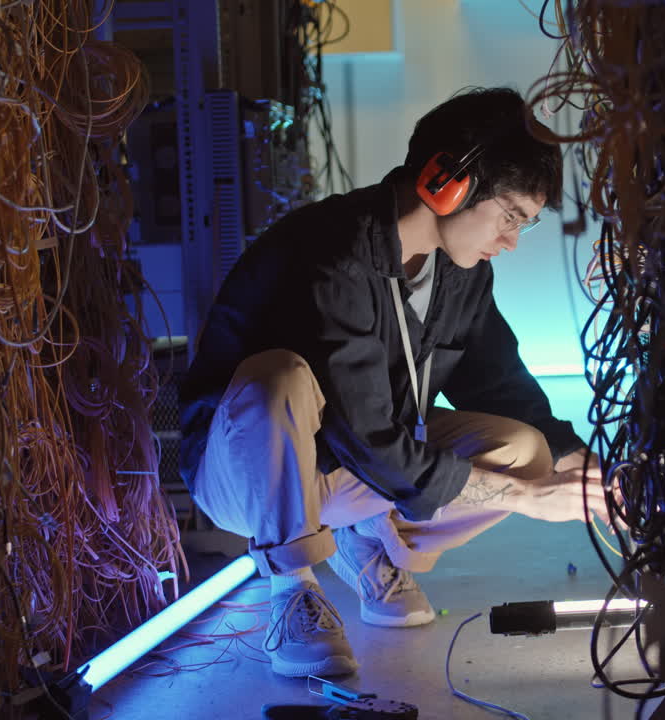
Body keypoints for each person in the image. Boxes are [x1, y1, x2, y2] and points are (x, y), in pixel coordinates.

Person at [178, 87, 608, 678]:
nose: (510, 242)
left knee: (526, 451)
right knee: (277, 379)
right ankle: (293, 586)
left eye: (523, 227)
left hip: (352, 469)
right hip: (246, 475)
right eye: (511, 217)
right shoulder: (334, 253)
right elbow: (370, 436)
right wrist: (525, 501)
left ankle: (366, 543)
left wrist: (581, 468)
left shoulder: (461, 274)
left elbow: (501, 384)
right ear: (447, 181)